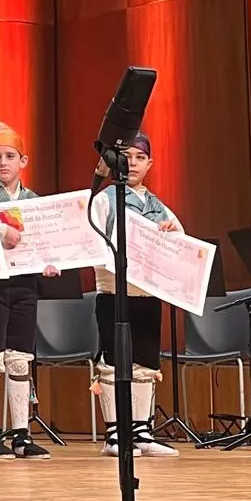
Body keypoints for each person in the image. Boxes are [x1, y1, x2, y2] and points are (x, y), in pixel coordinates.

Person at [89, 131, 182, 459]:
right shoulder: (103, 200)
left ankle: (141, 430)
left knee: (144, 362)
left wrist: (171, 238)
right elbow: (95, 243)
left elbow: (180, 248)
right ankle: (115, 433)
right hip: (114, 292)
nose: (132, 163)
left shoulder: (160, 209)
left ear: (150, 163)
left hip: (147, 295)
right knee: (114, 362)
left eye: (140, 157)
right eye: (126, 156)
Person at [0, 122, 57, 461]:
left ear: (24, 160)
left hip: (24, 284)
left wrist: (50, 260)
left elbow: (47, 240)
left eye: (9, 156)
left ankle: (21, 433)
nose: (3, 163)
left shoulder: (35, 201)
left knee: (21, 358)